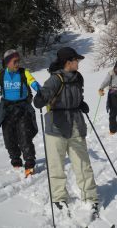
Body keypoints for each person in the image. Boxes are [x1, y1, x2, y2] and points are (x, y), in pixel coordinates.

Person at [33, 47, 98, 215]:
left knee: (83, 163)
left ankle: (90, 197)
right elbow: (44, 94)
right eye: (76, 60)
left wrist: (80, 103)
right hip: (56, 127)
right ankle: (59, 198)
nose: (79, 62)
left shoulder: (78, 78)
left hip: (76, 123)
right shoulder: (55, 80)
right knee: (56, 165)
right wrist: (40, 99)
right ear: (68, 62)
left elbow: (78, 95)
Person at [0, 50, 40, 177]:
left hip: (22, 109)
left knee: (24, 137)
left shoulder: (24, 73)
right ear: (7, 62)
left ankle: (30, 164)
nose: (17, 64)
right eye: (14, 61)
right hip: (7, 109)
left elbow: (33, 83)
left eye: (18, 61)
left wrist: (41, 92)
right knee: (9, 137)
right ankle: (15, 161)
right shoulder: (1, 74)